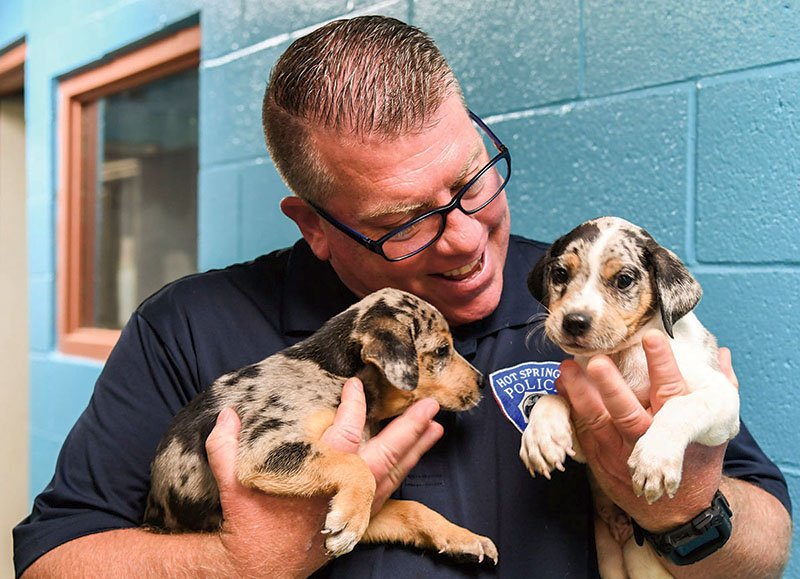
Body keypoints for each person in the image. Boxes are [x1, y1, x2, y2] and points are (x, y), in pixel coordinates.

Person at [14, 15, 791, 578]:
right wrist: (236, 562)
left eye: (471, 180)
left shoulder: (574, 305)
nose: (462, 238)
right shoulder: (187, 327)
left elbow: (768, 542)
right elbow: (53, 558)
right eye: (405, 222)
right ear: (315, 228)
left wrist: (687, 512)